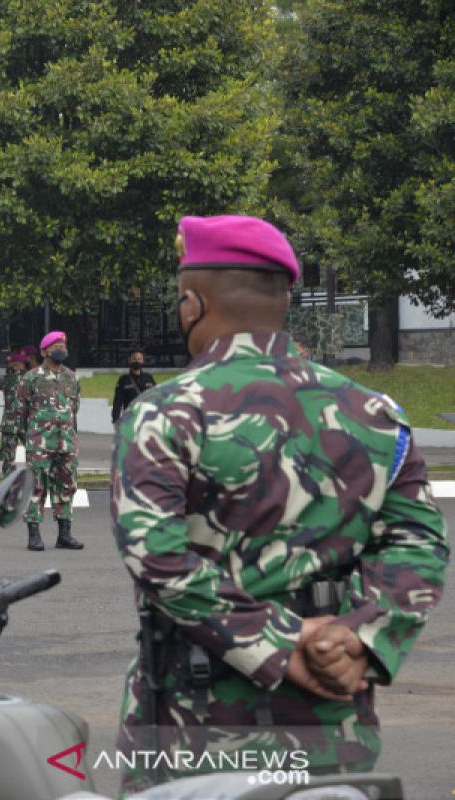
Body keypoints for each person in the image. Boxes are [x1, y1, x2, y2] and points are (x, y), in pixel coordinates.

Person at [112, 215, 449, 791]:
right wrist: (359, 639)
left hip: (192, 728)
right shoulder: (374, 414)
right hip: (332, 717)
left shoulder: (166, 413)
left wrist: (277, 645)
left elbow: (157, 556)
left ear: (192, 305)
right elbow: (419, 543)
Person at [18, 331, 83, 552]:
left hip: (66, 442)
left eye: (64, 346)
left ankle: (65, 534)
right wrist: (30, 436)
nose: (62, 350)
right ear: (44, 351)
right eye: (57, 346)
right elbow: (22, 411)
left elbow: (74, 410)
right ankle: (34, 534)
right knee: (36, 487)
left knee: (67, 486)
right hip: (40, 443)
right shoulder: (31, 378)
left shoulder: (71, 378)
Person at [110, 349, 157, 425]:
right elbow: (117, 402)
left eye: (139, 359)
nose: (137, 361)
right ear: (129, 360)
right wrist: (116, 419)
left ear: (143, 361)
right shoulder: (123, 380)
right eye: (134, 359)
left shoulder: (149, 378)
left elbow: (156, 398)